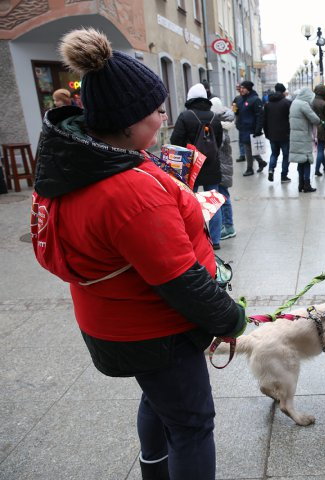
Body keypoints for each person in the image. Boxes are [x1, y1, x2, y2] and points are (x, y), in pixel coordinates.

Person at [32, 28, 245, 480]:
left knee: (157, 398)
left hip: (118, 323)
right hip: (155, 330)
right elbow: (179, 279)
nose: (164, 115)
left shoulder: (86, 160)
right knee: (191, 423)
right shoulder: (128, 190)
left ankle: (153, 471)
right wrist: (230, 318)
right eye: (156, 109)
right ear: (128, 121)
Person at [170, 83, 224, 249]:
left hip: (191, 166)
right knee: (213, 202)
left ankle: (193, 238)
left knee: (188, 203)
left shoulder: (185, 116)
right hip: (212, 164)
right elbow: (219, 142)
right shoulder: (215, 117)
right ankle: (215, 240)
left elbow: (175, 141)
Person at [210, 97, 238, 240]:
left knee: (223, 197)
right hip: (222, 166)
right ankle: (224, 225)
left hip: (222, 167)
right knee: (221, 196)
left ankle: (229, 227)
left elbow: (216, 146)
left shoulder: (219, 127)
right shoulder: (221, 125)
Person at [289, 87, 321, 192]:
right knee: (306, 160)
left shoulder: (294, 103)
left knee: (300, 161)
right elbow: (315, 119)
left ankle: (300, 184)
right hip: (304, 137)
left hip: (295, 137)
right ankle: (307, 185)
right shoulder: (304, 105)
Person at [232, 81, 267, 176]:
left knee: (249, 149)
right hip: (243, 128)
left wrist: (258, 129)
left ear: (248, 89)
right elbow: (237, 112)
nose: (241, 89)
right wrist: (235, 110)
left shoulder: (255, 100)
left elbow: (260, 115)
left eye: (243, 88)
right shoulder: (239, 99)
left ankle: (250, 168)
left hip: (252, 128)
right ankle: (261, 162)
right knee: (250, 148)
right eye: (241, 88)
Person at [263, 82, 292, 183]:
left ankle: (271, 170)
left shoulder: (267, 104)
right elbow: (291, 119)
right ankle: (284, 176)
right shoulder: (287, 103)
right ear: (283, 91)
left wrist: (267, 133)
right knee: (286, 155)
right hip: (285, 134)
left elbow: (264, 120)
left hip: (272, 134)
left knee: (274, 154)